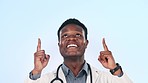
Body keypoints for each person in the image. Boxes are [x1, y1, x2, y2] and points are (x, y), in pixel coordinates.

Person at [25, 18, 132, 83]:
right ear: (59, 44)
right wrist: (36, 71)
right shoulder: (47, 80)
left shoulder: (103, 79)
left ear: (86, 43)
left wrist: (114, 68)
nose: (71, 39)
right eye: (65, 36)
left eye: (78, 35)